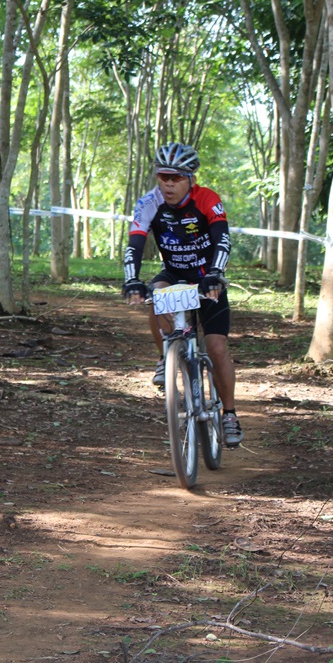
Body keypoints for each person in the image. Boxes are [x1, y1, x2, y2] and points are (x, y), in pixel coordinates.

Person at [122, 142, 243, 447]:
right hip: (174, 273)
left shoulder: (207, 199)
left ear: (190, 179)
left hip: (207, 276)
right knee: (156, 294)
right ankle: (166, 357)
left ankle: (230, 414)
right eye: (163, 177)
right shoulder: (149, 202)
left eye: (176, 178)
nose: (168, 184)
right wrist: (131, 279)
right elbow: (134, 244)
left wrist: (216, 272)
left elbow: (222, 239)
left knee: (216, 347)